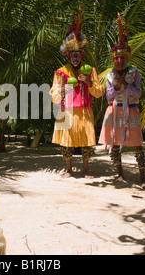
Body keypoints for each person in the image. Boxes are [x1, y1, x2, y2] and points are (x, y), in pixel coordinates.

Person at [49, 10, 103, 178]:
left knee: (87, 141)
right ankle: (69, 170)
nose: (75, 57)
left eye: (78, 55)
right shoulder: (61, 72)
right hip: (67, 110)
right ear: (69, 55)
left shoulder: (90, 71)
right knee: (66, 143)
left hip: (85, 110)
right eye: (73, 55)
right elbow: (53, 93)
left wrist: (87, 82)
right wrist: (63, 89)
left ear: (82, 55)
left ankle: (86, 170)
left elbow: (99, 92)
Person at [98, 13, 145, 189]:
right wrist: (117, 88)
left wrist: (126, 85)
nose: (119, 61)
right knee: (116, 144)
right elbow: (108, 96)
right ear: (114, 59)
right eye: (116, 59)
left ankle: (142, 178)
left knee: (137, 144)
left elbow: (138, 93)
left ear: (126, 59)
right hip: (115, 110)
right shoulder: (110, 75)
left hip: (131, 109)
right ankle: (120, 175)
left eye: (122, 59)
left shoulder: (134, 72)